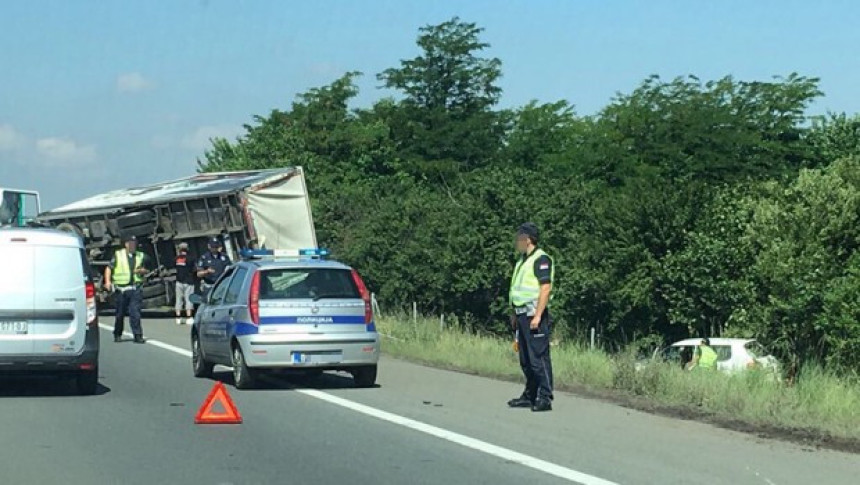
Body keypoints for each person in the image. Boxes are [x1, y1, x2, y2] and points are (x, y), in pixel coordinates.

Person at [507, 222, 555, 412]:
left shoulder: (541, 260)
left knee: (538, 359)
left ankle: (545, 397)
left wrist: (537, 316)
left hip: (533, 316)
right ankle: (530, 394)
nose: (517, 242)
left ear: (528, 240)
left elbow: (545, 288)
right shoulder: (522, 260)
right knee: (526, 360)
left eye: (520, 238)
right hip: (521, 316)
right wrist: (514, 314)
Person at [104, 234, 149, 344]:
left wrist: (142, 271)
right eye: (131, 243)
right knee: (120, 314)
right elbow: (109, 268)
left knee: (135, 313)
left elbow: (148, 269)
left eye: (134, 243)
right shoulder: (118, 255)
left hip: (135, 288)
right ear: (126, 244)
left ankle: (138, 335)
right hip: (121, 289)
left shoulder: (141, 256)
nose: (133, 245)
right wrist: (108, 281)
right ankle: (117, 333)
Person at [174, 242, 195, 325]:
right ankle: (189, 317)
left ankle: (178, 318)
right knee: (188, 299)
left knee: (178, 299)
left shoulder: (176, 259)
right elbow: (193, 269)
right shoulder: (191, 258)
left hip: (179, 281)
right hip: (188, 281)